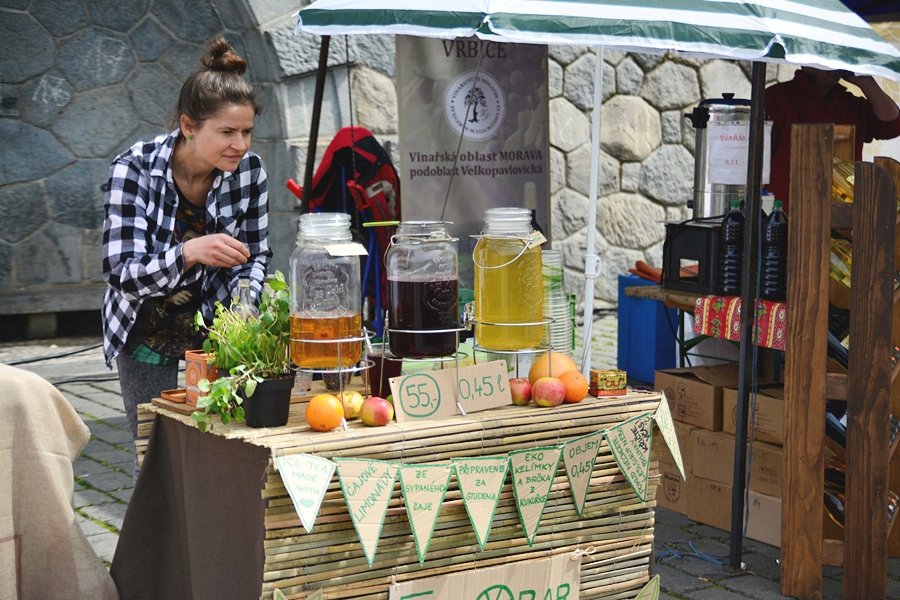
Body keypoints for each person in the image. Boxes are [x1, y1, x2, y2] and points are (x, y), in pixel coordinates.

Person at [102, 38, 271, 443]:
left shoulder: (250, 172)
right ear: (188, 126)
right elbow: (121, 273)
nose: (241, 145)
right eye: (227, 131)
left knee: (226, 442)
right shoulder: (135, 169)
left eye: (247, 131)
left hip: (219, 326)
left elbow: (255, 254)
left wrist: (246, 307)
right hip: (146, 325)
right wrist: (189, 253)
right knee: (155, 446)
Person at [765, 66, 900, 209]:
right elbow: (758, 160)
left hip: (843, 215)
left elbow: (892, 126)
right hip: (784, 216)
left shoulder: (849, 103)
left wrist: (865, 82)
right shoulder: (776, 98)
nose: (830, 66)